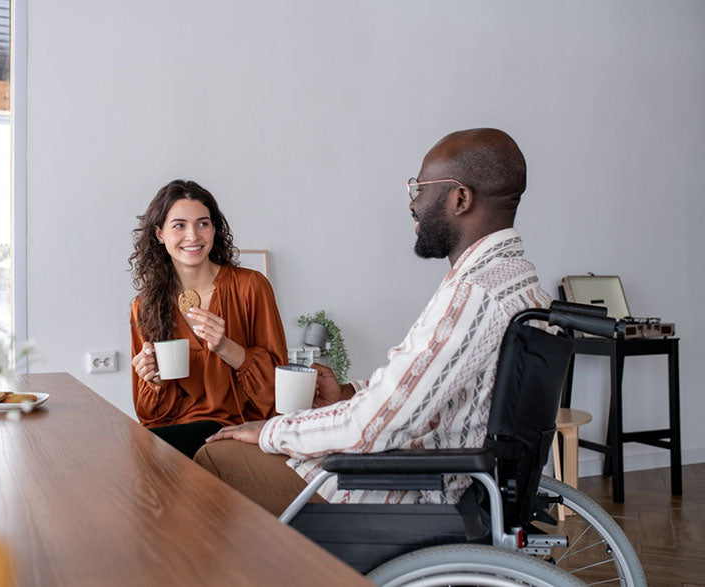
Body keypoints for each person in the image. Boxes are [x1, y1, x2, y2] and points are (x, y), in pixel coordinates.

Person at [194, 128, 553, 516]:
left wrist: (270, 431)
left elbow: (371, 427)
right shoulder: (521, 285)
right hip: (450, 475)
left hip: (414, 490)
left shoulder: (474, 294)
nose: (413, 203)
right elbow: (420, 388)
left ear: (460, 199)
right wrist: (346, 393)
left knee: (214, 457)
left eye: (419, 187)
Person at [129, 179, 287, 458]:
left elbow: (278, 392)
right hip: (175, 431)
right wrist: (153, 381)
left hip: (236, 428)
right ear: (159, 234)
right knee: (131, 447)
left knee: (140, 454)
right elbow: (149, 416)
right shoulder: (145, 307)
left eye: (203, 223)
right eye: (179, 225)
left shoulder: (251, 287)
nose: (193, 235)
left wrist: (226, 346)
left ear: (214, 229)